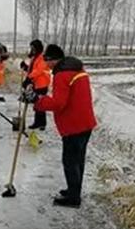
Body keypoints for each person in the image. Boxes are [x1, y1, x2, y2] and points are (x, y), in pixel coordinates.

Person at [23, 44, 97, 208]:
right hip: (85, 122)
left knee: (70, 161)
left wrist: (37, 100)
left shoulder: (62, 75)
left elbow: (58, 103)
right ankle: (74, 190)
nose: (47, 65)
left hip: (73, 124)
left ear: (53, 60)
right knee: (78, 160)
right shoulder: (77, 70)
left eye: (47, 61)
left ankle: (73, 199)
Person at [21, 39, 51, 130]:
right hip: (36, 83)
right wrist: (25, 67)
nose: (32, 50)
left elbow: (38, 70)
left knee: (41, 103)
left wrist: (28, 78)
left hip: (42, 84)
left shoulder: (42, 58)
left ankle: (42, 123)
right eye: (31, 48)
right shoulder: (35, 57)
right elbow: (32, 69)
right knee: (37, 103)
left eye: (33, 48)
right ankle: (37, 122)